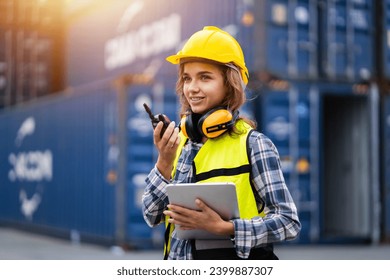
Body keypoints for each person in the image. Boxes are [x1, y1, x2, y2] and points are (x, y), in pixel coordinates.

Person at [142, 26, 301, 260]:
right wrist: (164, 162)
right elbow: (151, 215)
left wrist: (227, 228)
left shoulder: (255, 145)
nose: (192, 88)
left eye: (205, 77)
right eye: (187, 78)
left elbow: (288, 222)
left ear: (230, 83)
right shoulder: (179, 142)